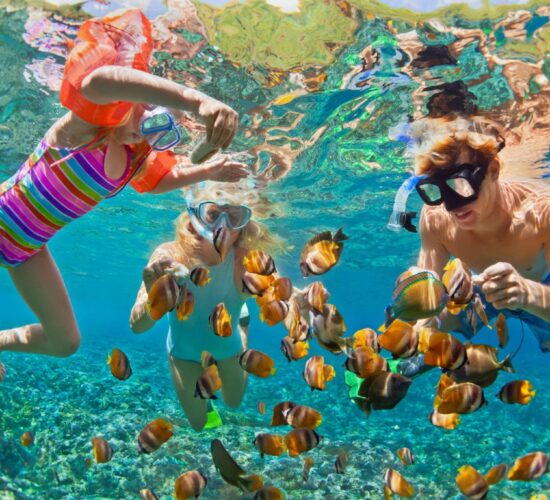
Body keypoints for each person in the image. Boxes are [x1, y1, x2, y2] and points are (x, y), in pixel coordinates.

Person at [0, 10, 247, 376]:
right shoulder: (88, 127)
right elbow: (100, 80)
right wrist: (196, 102)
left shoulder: (134, 158)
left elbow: (161, 181)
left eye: (163, 132)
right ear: (135, 95)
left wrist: (208, 170)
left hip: (27, 249)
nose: (148, 133)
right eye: (152, 115)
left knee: (65, 342)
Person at [393, 117, 550, 376]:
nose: (452, 206)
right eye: (438, 189)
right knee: (442, 320)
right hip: (476, 291)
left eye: (463, 183)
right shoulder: (434, 216)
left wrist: (526, 294)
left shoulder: (541, 211)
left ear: (493, 170)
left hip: (542, 289)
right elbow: (432, 304)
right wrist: (418, 336)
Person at [129, 180, 283, 431]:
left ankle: (242, 329)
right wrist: (152, 297)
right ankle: (204, 383)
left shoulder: (245, 260)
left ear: (243, 226)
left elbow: (280, 295)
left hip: (228, 344)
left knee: (234, 402)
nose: (222, 226)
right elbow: (137, 326)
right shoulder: (169, 255)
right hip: (183, 352)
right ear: (194, 215)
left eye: (234, 217)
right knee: (200, 424)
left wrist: (300, 302)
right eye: (212, 214)